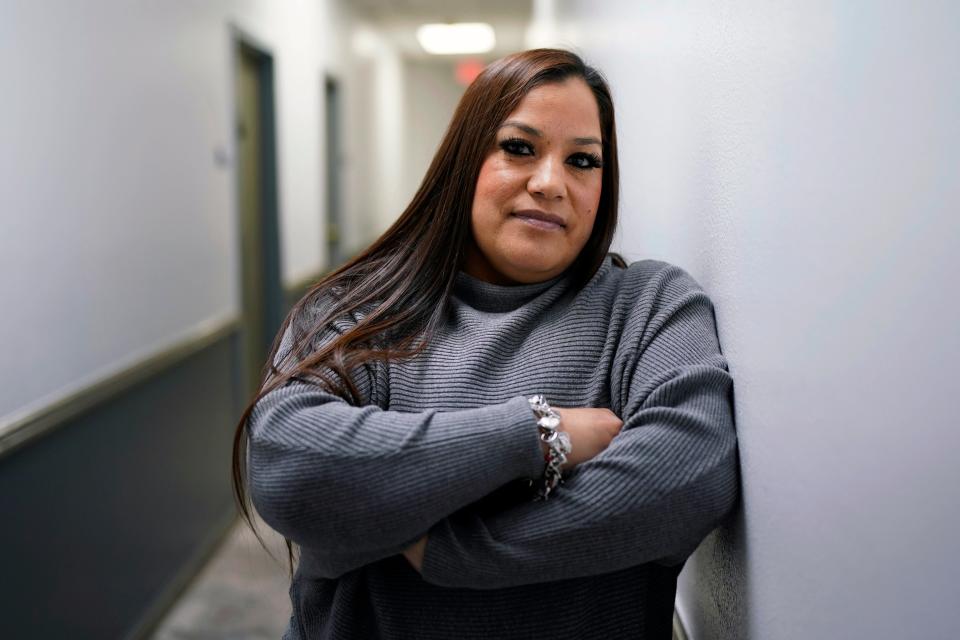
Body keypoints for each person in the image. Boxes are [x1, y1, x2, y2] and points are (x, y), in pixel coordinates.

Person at [232, 48, 739, 639]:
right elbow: (291, 468)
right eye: (518, 148)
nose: (550, 183)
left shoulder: (649, 304)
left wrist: (452, 547)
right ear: (465, 160)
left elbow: (689, 474)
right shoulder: (359, 307)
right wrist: (544, 434)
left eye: (583, 160)